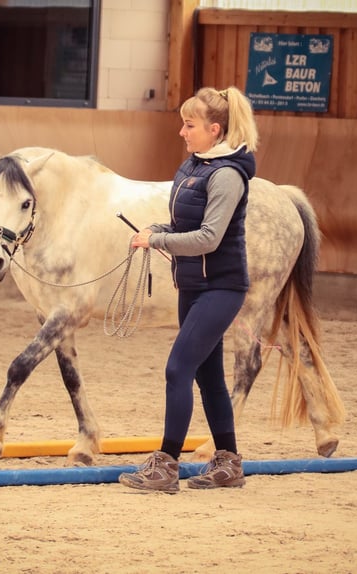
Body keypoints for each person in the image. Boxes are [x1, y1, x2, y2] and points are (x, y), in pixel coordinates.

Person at [118, 85, 259, 493]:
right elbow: (184, 229)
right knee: (207, 375)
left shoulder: (228, 175)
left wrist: (157, 241)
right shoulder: (194, 166)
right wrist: (156, 230)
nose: (182, 131)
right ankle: (229, 463)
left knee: (177, 368)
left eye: (190, 125)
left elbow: (210, 238)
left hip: (221, 287)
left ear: (215, 129)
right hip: (193, 284)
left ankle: (166, 465)